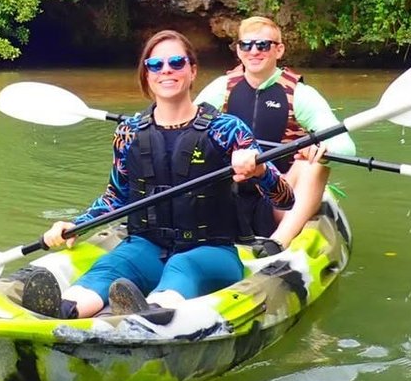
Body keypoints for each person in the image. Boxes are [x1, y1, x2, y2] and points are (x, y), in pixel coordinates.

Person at [20, 29, 295, 319]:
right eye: (155, 65)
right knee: (114, 266)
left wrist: (260, 169)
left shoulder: (227, 129)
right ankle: (63, 311)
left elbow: (286, 198)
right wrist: (75, 225)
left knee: (183, 267)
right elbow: (117, 196)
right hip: (147, 245)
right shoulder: (129, 132)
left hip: (211, 251)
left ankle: (149, 317)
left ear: (192, 71)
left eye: (176, 63)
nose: (166, 70)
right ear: (146, 75)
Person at [193, 15, 356, 255]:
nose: (254, 51)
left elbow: (346, 147)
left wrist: (322, 149)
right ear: (238, 51)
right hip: (230, 191)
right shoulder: (221, 89)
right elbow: (187, 129)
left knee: (314, 163)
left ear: (279, 50)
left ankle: (278, 242)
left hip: (280, 196)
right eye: (246, 45)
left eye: (263, 45)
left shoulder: (301, 94)